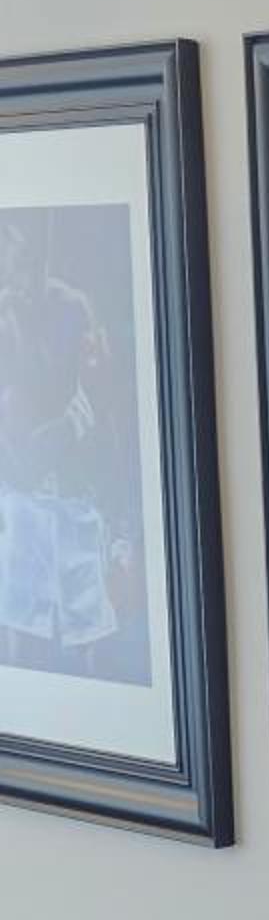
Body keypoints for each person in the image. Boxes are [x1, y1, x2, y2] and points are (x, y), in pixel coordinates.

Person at [0, 208, 134, 677]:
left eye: (27, 261)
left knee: (94, 634)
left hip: (78, 498)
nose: (17, 276)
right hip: (20, 500)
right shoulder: (5, 316)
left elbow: (107, 404)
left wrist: (122, 525)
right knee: (23, 635)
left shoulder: (74, 308)